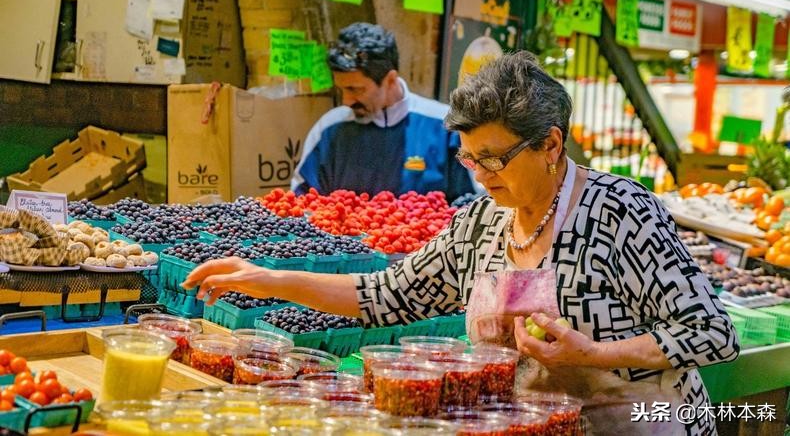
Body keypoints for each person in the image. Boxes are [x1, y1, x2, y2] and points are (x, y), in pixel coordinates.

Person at [186, 51, 738, 435]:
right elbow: (387, 295)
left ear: (550, 144)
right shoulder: (480, 224)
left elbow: (712, 334)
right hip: (537, 428)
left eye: (493, 158)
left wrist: (595, 354)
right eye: (469, 158)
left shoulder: (621, 212)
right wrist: (272, 279)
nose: (479, 174)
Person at [291, 22, 477, 201]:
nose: (346, 101)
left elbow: (475, 206)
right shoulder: (329, 128)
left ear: (390, 80)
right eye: (341, 89)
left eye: (356, 89)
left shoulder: (447, 127)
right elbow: (301, 203)